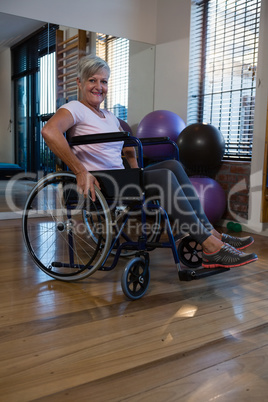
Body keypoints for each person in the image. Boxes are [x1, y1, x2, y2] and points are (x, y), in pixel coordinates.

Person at [41, 54, 258, 269]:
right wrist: (79, 170)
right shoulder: (74, 109)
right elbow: (50, 131)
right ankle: (210, 246)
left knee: (174, 164)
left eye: (104, 81)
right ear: (79, 82)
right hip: (100, 182)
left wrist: (137, 171)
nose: (99, 86)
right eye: (92, 80)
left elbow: (127, 145)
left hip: (120, 178)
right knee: (164, 175)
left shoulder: (109, 116)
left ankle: (211, 232)